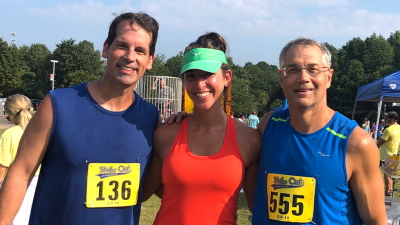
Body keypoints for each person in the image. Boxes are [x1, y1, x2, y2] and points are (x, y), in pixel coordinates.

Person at [0, 12, 160, 225]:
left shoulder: (151, 119)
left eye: (140, 50)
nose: (130, 57)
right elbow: (20, 172)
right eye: (122, 45)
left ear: (150, 60)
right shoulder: (58, 104)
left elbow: (147, 191)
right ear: (106, 48)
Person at [252, 38, 386, 224]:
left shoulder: (356, 143)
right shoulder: (267, 126)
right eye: (292, 70)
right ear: (281, 78)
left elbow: (376, 221)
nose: (303, 77)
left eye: (313, 69)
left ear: (328, 77)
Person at [143, 32, 261, 225]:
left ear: (227, 77)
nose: (199, 84)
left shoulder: (249, 140)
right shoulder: (166, 134)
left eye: (207, 74)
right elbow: (144, 193)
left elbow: (258, 209)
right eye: (191, 76)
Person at [0, 94, 39, 225]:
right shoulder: (43, 132)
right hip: (43, 185)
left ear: (10, 114)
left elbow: (2, 169)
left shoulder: (9, 135)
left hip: (15, 187)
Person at [378, 111, 400, 196]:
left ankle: (388, 191)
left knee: (386, 174)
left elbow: (380, 142)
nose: (386, 119)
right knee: (391, 173)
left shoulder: (388, 130)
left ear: (392, 119)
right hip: (394, 154)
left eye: (387, 118)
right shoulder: (399, 127)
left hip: (385, 155)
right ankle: (390, 190)